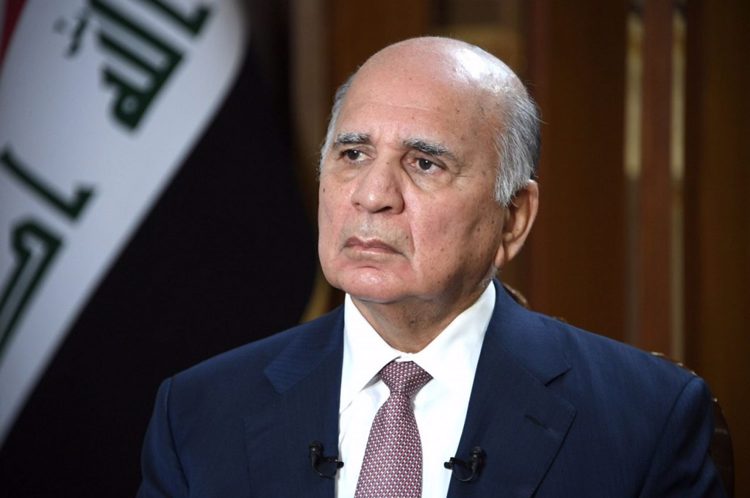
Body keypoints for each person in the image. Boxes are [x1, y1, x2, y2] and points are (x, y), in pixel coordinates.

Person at [137, 37, 727, 497]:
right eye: (353, 154)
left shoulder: (647, 420)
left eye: (424, 163)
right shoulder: (197, 414)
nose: (372, 195)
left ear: (513, 218)